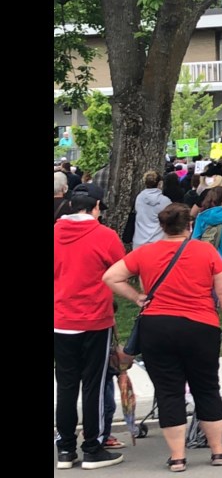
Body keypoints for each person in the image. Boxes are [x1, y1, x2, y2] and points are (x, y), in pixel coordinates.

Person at [103, 203, 222, 472]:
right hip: (200, 326)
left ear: (162, 227)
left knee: (169, 392)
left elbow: (111, 276)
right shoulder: (206, 251)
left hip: (157, 328)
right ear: (189, 227)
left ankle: (177, 457)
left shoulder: (145, 252)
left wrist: (137, 297)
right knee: (206, 388)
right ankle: (218, 451)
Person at [54, 183, 127, 470]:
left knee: (66, 385)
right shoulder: (105, 236)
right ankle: (93, 446)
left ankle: (65, 448)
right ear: (96, 208)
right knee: (93, 385)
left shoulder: (55, 234)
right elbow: (122, 272)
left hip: (61, 319)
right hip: (95, 318)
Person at [133, 170, 172, 249]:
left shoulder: (139, 198)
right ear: (160, 183)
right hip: (158, 241)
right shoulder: (165, 201)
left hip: (139, 240)